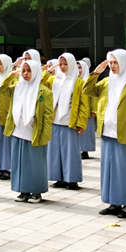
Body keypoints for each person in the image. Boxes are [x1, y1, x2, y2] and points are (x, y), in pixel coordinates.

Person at [84, 50, 126, 219]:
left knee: (125, 170)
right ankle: (113, 202)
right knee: (109, 170)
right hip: (107, 134)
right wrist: (95, 73)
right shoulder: (106, 82)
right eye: (110, 62)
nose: (112, 66)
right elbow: (87, 90)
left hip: (125, 134)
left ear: (125, 63)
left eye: (115, 62)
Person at [1, 60, 53, 203]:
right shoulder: (17, 87)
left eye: (29, 71)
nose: (25, 74)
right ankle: (23, 190)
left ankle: (36, 192)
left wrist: (45, 135)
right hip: (18, 131)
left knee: (36, 165)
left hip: (34, 133)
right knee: (20, 164)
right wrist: (12, 74)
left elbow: (48, 116)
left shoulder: (44, 91)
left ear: (36, 72)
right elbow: (1, 90)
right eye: (23, 71)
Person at [45, 53, 89, 190]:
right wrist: (47, 72)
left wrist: (81, 123)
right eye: (61, 64)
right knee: (55, 151)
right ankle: (59, 178)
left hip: (70, 122)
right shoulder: (54, 80)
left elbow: (83, 105)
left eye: (66, 64)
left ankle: (72, 179)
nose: (63, 67)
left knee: (71, 153)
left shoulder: (78, 82)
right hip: (54, 121)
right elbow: (40, 85)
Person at [77, 60, 97, 159]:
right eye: (77, 68)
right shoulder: (75, 81)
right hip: (77, 110)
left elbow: (93, 96)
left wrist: (94, 110)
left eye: (80, 68)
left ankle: (85, 150)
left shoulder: (88, 81)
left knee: (87, 132)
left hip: (88, 111)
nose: (78, 70)